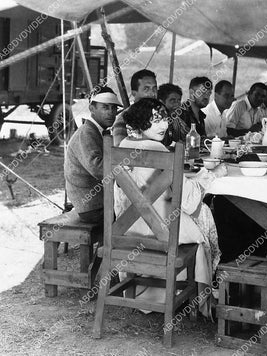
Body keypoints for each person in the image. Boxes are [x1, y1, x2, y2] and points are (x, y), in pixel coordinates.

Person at [116, 97, 227, 317]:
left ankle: (149, 295)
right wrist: (211, 174)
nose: (163, 125)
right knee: (206, 215)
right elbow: (188, 198)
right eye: (155, 120)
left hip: (126, 229)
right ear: (139, 123)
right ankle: (202, 297)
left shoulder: (121, 147)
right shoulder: (160, 151)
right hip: (163, 231)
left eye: (164, 119)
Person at [64, 87, 122, 223]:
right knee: (136, 213)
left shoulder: (98, 131)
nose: (111, 113)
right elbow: (98, 169)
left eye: (114, 108)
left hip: (98, 201)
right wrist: (127, 171)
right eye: (105, 107)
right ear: (92, 108)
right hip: (91, 207)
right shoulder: (86, 133)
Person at [112, 69, 157, 146]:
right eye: (146, 89)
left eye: (154, 89)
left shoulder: (160, 118)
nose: (152, 94)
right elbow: (119, 152)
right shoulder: (123, 120)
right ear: (134, 93)